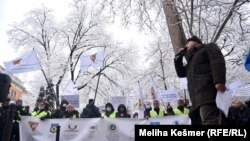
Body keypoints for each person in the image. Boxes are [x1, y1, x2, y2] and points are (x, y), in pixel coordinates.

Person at [174, 35, 226, 125]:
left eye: (188, 43)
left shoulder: (208, 47)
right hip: (196, 98)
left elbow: (217, 62)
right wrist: (178, 58)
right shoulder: (191, 61)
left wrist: (219, 81)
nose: (186, 45)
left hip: (207, 92)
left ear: (196, 42)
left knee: (210, 120)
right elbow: (181, 73)